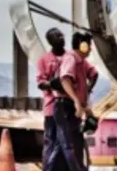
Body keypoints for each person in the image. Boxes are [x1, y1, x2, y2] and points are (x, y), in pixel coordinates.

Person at [51, 31, 94, 171]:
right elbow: (65, 79)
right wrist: (76, 101)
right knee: (71, 144)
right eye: (89, 45)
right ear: (82, 46)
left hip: (71, 107)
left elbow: (93, 75)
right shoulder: (71, 58)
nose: (91, 49)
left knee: (62, 146)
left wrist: (84, 105)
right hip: (65, 107)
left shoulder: (81, 62)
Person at [37, 28, 66, 171]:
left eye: (61, 35)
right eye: (57, 36)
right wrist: (51, 84)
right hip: (51, 108)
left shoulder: (72, 57)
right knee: (51, 141)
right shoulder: (44, 60)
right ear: (50, 41)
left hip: (69, 108)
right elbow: (40, 83)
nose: (61, 37)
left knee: (68, 142)